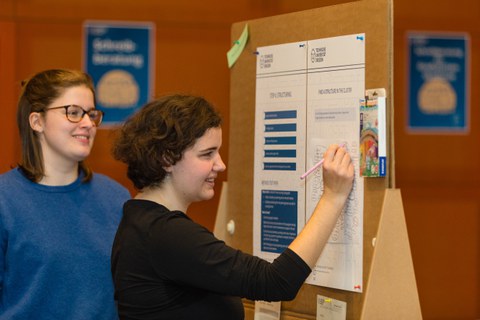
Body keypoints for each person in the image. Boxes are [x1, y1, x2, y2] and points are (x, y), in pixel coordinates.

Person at [111, 94, 354, 320]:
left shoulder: (140, 220)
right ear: (166, 159)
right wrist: (332, 197)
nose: (221, 165)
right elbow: (277, 282)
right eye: (207, 154)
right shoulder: (166, 234)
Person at [0, 69, 131, 319]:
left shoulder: (116, 198)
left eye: (92, 114)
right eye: (73, 112)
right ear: (37, 121)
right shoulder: (5, 199)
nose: (87, 124)